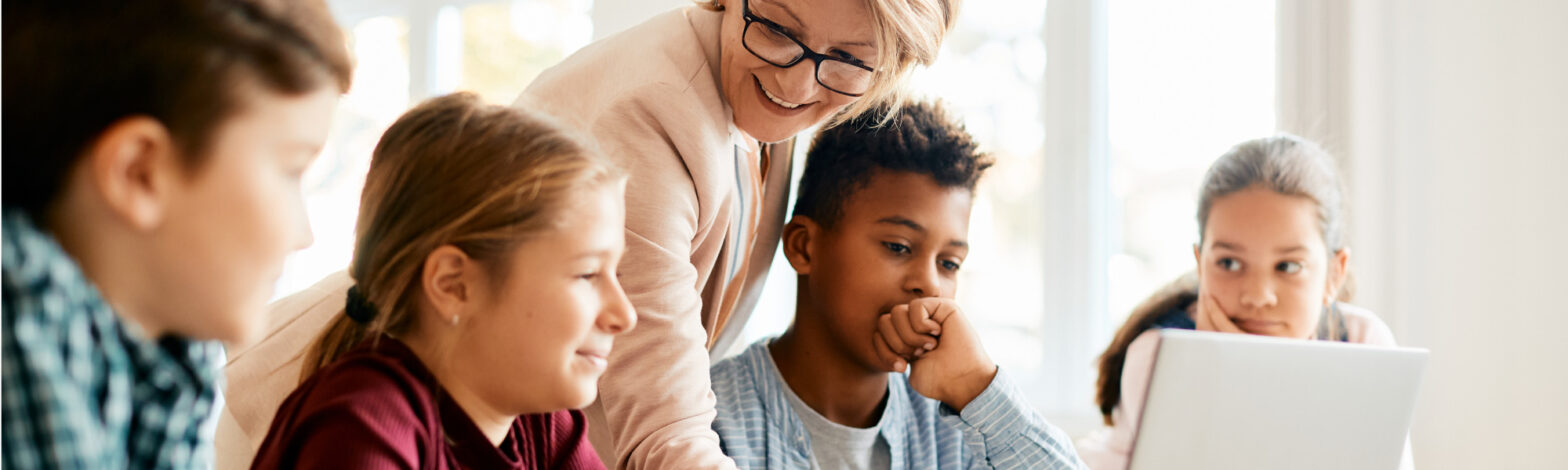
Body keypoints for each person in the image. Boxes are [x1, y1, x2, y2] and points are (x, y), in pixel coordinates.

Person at [218, 0, 962, 468]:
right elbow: (665, 437)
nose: (801, 84)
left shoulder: (541, 427)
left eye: (846, 63)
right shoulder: (648, 111)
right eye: (777, 30)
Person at [1, 0, 350, 468]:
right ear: (139, 172)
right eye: (290, 171)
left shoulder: (172, 349)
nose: (301, 235)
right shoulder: (21, 319)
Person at [250, 93, 634, 469]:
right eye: (587, 274)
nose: (624, 314)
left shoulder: (540, 424)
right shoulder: (359, 429)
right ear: (454, 284)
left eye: (615, 273)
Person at [709, 100, 1086, 469]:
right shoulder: (709, 422)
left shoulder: (959, 427)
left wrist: (976, 386)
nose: (929, 284)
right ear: (804, 247)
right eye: (898, 247)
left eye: (949, 263)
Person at [1074, 135, 1413, 469]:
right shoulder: (1157, 358)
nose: (1258, 296)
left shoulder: (1366, 346)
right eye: (1230, 263)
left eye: (1288, 266)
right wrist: (1216, 376)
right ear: (1200, 264)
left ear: (1333, 275)